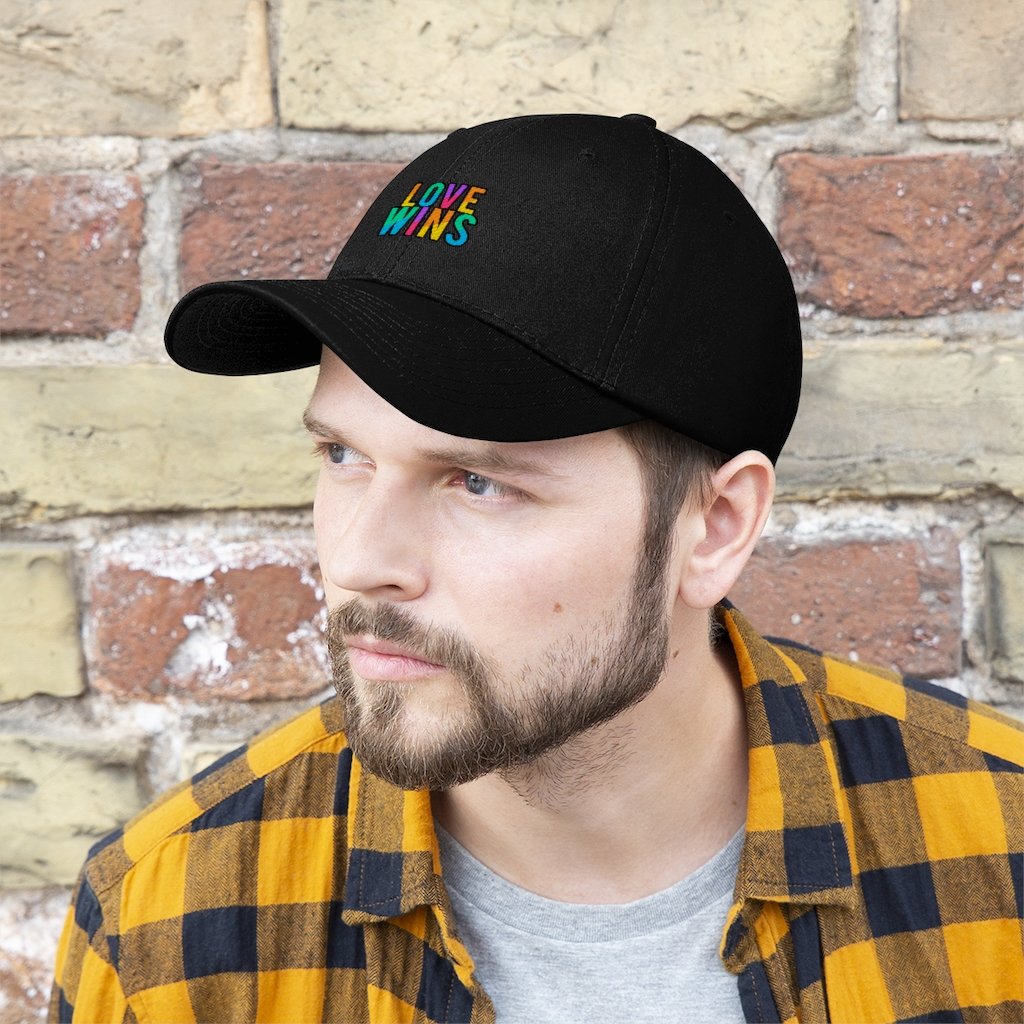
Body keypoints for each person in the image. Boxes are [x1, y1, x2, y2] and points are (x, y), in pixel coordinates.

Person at [52, 113, 1022, 1024]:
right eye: (343, 455)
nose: (358, 560)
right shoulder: (168, 928)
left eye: (477, 482)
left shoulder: (999, 852)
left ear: (716, 527)